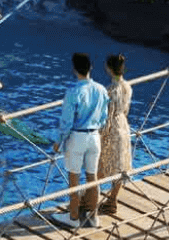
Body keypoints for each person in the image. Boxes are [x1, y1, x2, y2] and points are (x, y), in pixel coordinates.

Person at [55, 52, 110, 227]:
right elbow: (104, 117)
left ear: (74, 69)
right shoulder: (101, 89)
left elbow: (66, 121)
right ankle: (93, 216)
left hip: (77, 136)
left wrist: (59, 141)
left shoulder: (73, 91)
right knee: (92, 177)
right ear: (90, 68)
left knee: (74, 178)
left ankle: (73, 218)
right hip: (95, 136)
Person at [97, 53, 132, 216]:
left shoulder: (109, 90)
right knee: (119, 165)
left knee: (99, 164)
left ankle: (91, 200)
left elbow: (107, 116)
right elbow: (125, 110)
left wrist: (100, 134)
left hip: (112, 129)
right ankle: (112, 200)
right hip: (123, 126)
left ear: (109, 69)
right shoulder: (127, 87)